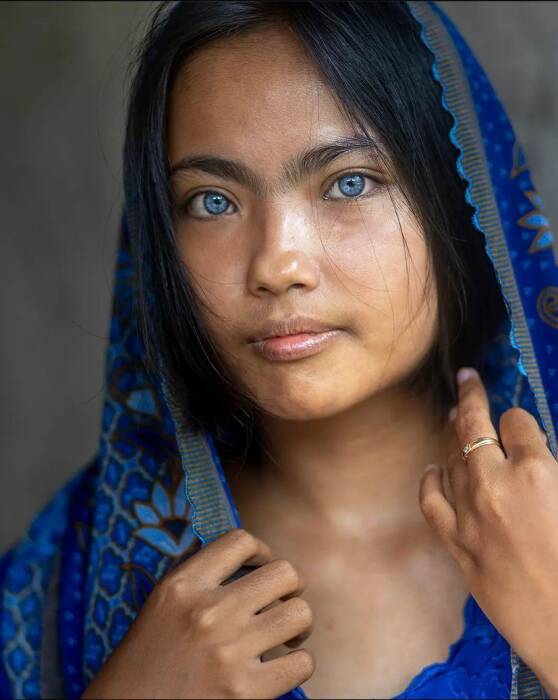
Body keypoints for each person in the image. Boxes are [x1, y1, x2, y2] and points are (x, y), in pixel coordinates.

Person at [1, 1, 557, 698]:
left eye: (349, 183)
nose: (276, 263)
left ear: (464, 201)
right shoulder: (57, 585)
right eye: (211, 201)